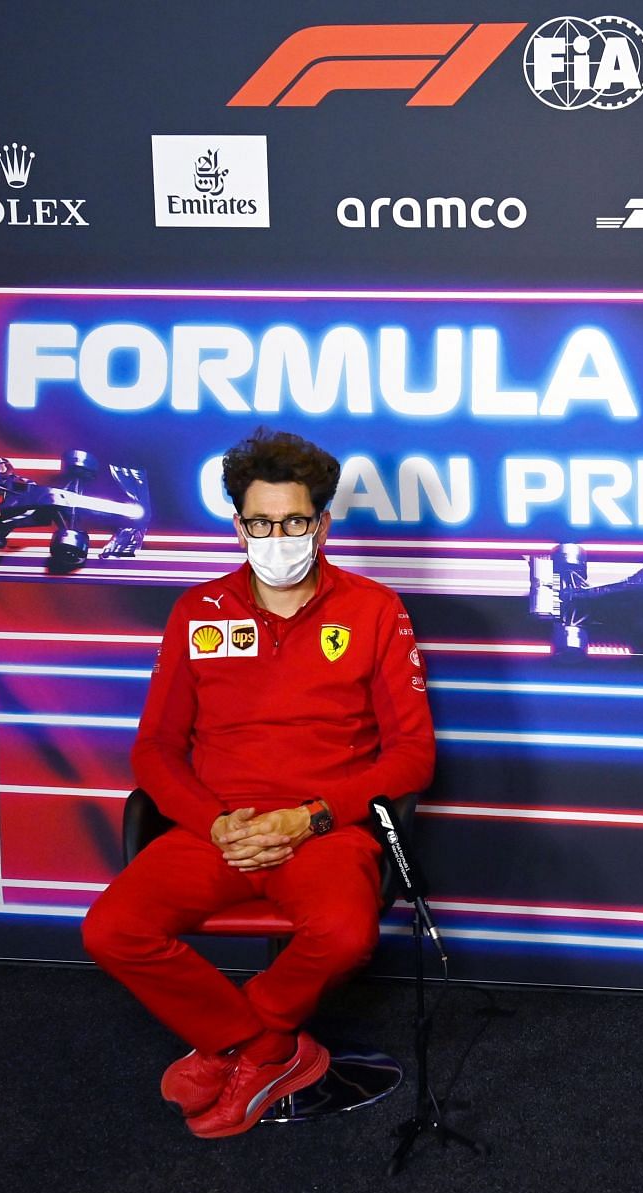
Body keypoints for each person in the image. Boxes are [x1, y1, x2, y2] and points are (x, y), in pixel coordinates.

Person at [82, 429, 435, 1139]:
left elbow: (412, 756)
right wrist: (215, 824)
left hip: (324, 830)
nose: (280, 536)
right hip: (217, 828)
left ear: (323, 523)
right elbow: (153, 750)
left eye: (296, 521)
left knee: (343, 936)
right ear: (238, 524)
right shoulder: (196, 611)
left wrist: (308, 819)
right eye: (263, 522)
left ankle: (254, 1043)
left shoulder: (374, 608)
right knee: (112, 931)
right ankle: (262, 1049)